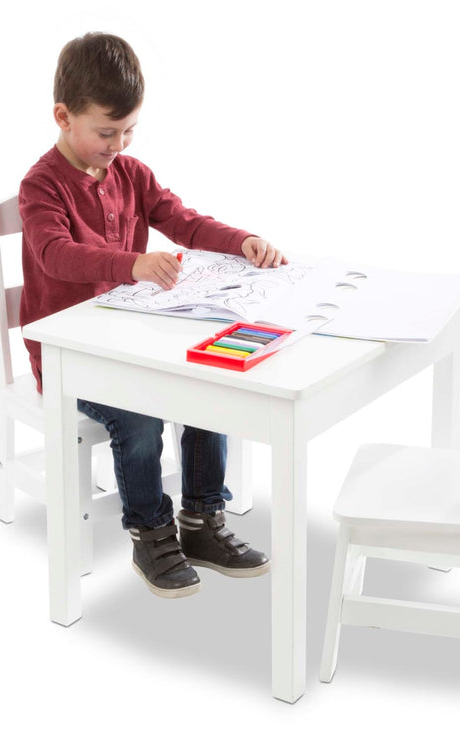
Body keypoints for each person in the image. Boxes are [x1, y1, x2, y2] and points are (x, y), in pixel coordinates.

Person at [19, 32, 284, 598]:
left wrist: (243, 241)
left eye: (129, 130)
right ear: (64, 117)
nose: (118, 144)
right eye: (106, 132)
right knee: (138, 417)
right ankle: (150, 530)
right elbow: (52, 253)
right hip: (70, 354)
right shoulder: (41, 185)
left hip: (131, 339)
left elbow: (184, 221)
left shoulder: (132, 173)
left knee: (208, 388)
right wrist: (133, 263)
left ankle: (202, 520)